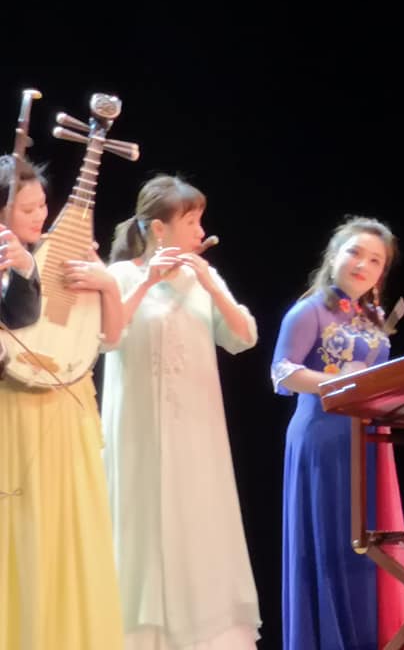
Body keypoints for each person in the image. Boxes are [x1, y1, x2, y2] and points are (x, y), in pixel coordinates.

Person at [102, 174, 261, 649]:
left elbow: (244, 337)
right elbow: (108, 337)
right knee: (142, 519)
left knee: (197, 518)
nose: (200, 231)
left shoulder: (200, 279)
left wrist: (211, 284)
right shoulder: (120, 276)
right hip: (139, 432)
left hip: (197, 430)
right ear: (159, 228)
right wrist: (147, 282)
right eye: (191, 222)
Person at [271, 216, 404, 650]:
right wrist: (341, 384)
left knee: (368, 544)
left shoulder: (371, 318)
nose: (363, 264)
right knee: (332, 540)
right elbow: (281, 372)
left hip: (368, 439)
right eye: (355, 252)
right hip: (323, 437)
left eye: (375, 260)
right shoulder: (309, 310)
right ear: (333, 255)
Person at [0, 153, 125, 650]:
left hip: (69, 411)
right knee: (20, 535)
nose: (40, 215)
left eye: (42, 205)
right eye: (27, 208)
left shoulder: (67, 256)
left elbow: (110, 338)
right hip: (14, 413)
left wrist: (108, 284)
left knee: (68, 535)